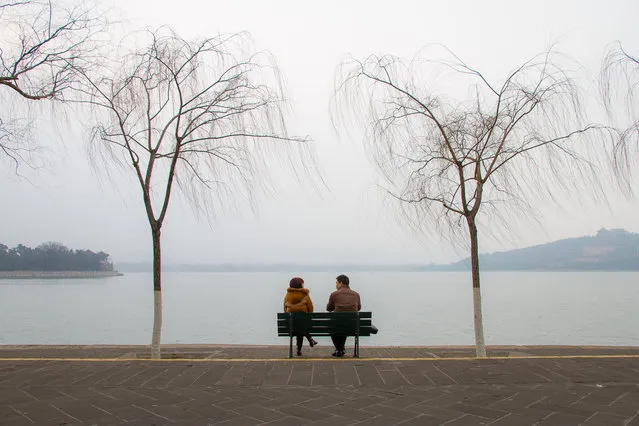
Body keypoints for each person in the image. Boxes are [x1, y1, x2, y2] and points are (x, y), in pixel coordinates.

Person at [326, 274, 361, 357]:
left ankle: (339, 349)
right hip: (353, 326)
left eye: (336, 283)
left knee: (334, 326)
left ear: (340, 283)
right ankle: (340, 349)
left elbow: (328, 308)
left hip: (337, 325)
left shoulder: (334, 294)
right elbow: (358, 308)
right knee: (344, 323)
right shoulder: (356, 294)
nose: (336, 285)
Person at [283, 277, 318, 356]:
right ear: (301, 284)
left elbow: (285, 310)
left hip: (291, 326)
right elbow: (311, 309)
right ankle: (309, 339)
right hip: (303, 324)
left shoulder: (288, 295)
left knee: (298, 326)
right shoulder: (305, 295)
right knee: (301, 325)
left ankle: (300, 349)